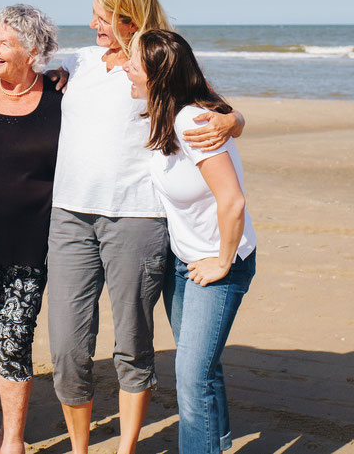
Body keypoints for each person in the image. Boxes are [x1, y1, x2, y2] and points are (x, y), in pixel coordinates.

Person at [46, 0, 244, 454]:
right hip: (69, 215)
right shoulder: (82, 61)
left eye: (101, 15)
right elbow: (20, 59)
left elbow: (219, 110)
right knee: (68, 345)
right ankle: (79, 448)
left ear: (128, 18)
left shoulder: (157, 62)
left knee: (132, 341)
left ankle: (126, 448)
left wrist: (232, 120)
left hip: (137, 218)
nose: (91, 22)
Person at [124, 29, 257, 454]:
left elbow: (232, 201)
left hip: (217, 264)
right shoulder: (168, 115)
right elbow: (234, 117)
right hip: (185, 262)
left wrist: (221, 261)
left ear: (158, 76)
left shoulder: (189, 121)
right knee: (202, 366)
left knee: (192, 374)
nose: (125, 68)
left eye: (133, 64)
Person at [0, 5, 60, 454]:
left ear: (33, 51)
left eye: (4, 42)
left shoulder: (61, 97)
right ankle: (6, 430)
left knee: (14, 336)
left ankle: (14, 443)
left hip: (33, 243)